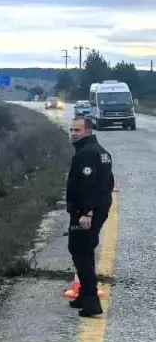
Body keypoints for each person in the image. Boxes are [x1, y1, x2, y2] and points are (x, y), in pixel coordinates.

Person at [66, 116, 114, 317]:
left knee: (79, 250)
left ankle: (92, 301)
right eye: (72, 130)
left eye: (78, 130)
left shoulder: (86, 154)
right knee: (85, 248)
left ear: (88, 131)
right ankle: (84, 295)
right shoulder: (102, 152)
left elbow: (89, 186)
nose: (73, 134)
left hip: (87, 211)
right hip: (97, 207)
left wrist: (87, 213)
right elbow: (109, 182)